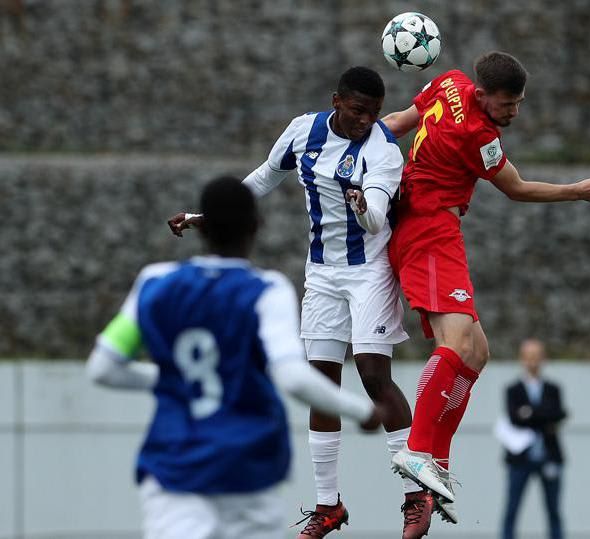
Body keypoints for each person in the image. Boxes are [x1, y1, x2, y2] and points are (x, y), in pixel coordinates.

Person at [166, 67, 428, 537]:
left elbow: (374, 222)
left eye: (373, 113)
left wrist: (362, 206)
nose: (366, 121)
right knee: (320, 379)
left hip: (369, 270)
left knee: (371, 373)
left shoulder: (385, 151)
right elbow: (266, 177)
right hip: (323, 273)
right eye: (357, 111)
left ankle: (416, 493)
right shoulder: (303, 130)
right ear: (336, 101)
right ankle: (328, 506)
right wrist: (212, 215)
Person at [381, 50, 590, 537]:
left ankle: (436, 463)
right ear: (484, 95)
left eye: (520, 103)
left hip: (429, 224)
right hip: (428, 228)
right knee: (456, 343)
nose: (515, 112)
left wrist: (363, 148)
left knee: (478, 351)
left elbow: (396, 123)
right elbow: (517, 188)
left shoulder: (446, 83)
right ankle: (418, 450)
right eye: (509, 103)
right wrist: (577, 190)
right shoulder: (480, 135)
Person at [87, 177, 382, 539]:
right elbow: (291, 376)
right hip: (250, 472)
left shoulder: (155, 282)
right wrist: (363, 411)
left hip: (174, 469)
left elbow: (103, 369)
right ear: (256, 225)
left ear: (203, 226)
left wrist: (174, 378)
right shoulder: (266, 290)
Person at [501, 339, 567, 539]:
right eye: (529, 357)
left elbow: (558, 414)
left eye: (536, 356)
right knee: (512, 509)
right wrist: (543, 416)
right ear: (522, 359)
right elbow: (514, 418)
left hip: (549, 456)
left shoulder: (553, 389)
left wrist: (529, 413)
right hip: (520, 459)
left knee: (553, 510)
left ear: (543, 358)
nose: (533, 361)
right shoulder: (513, 389)